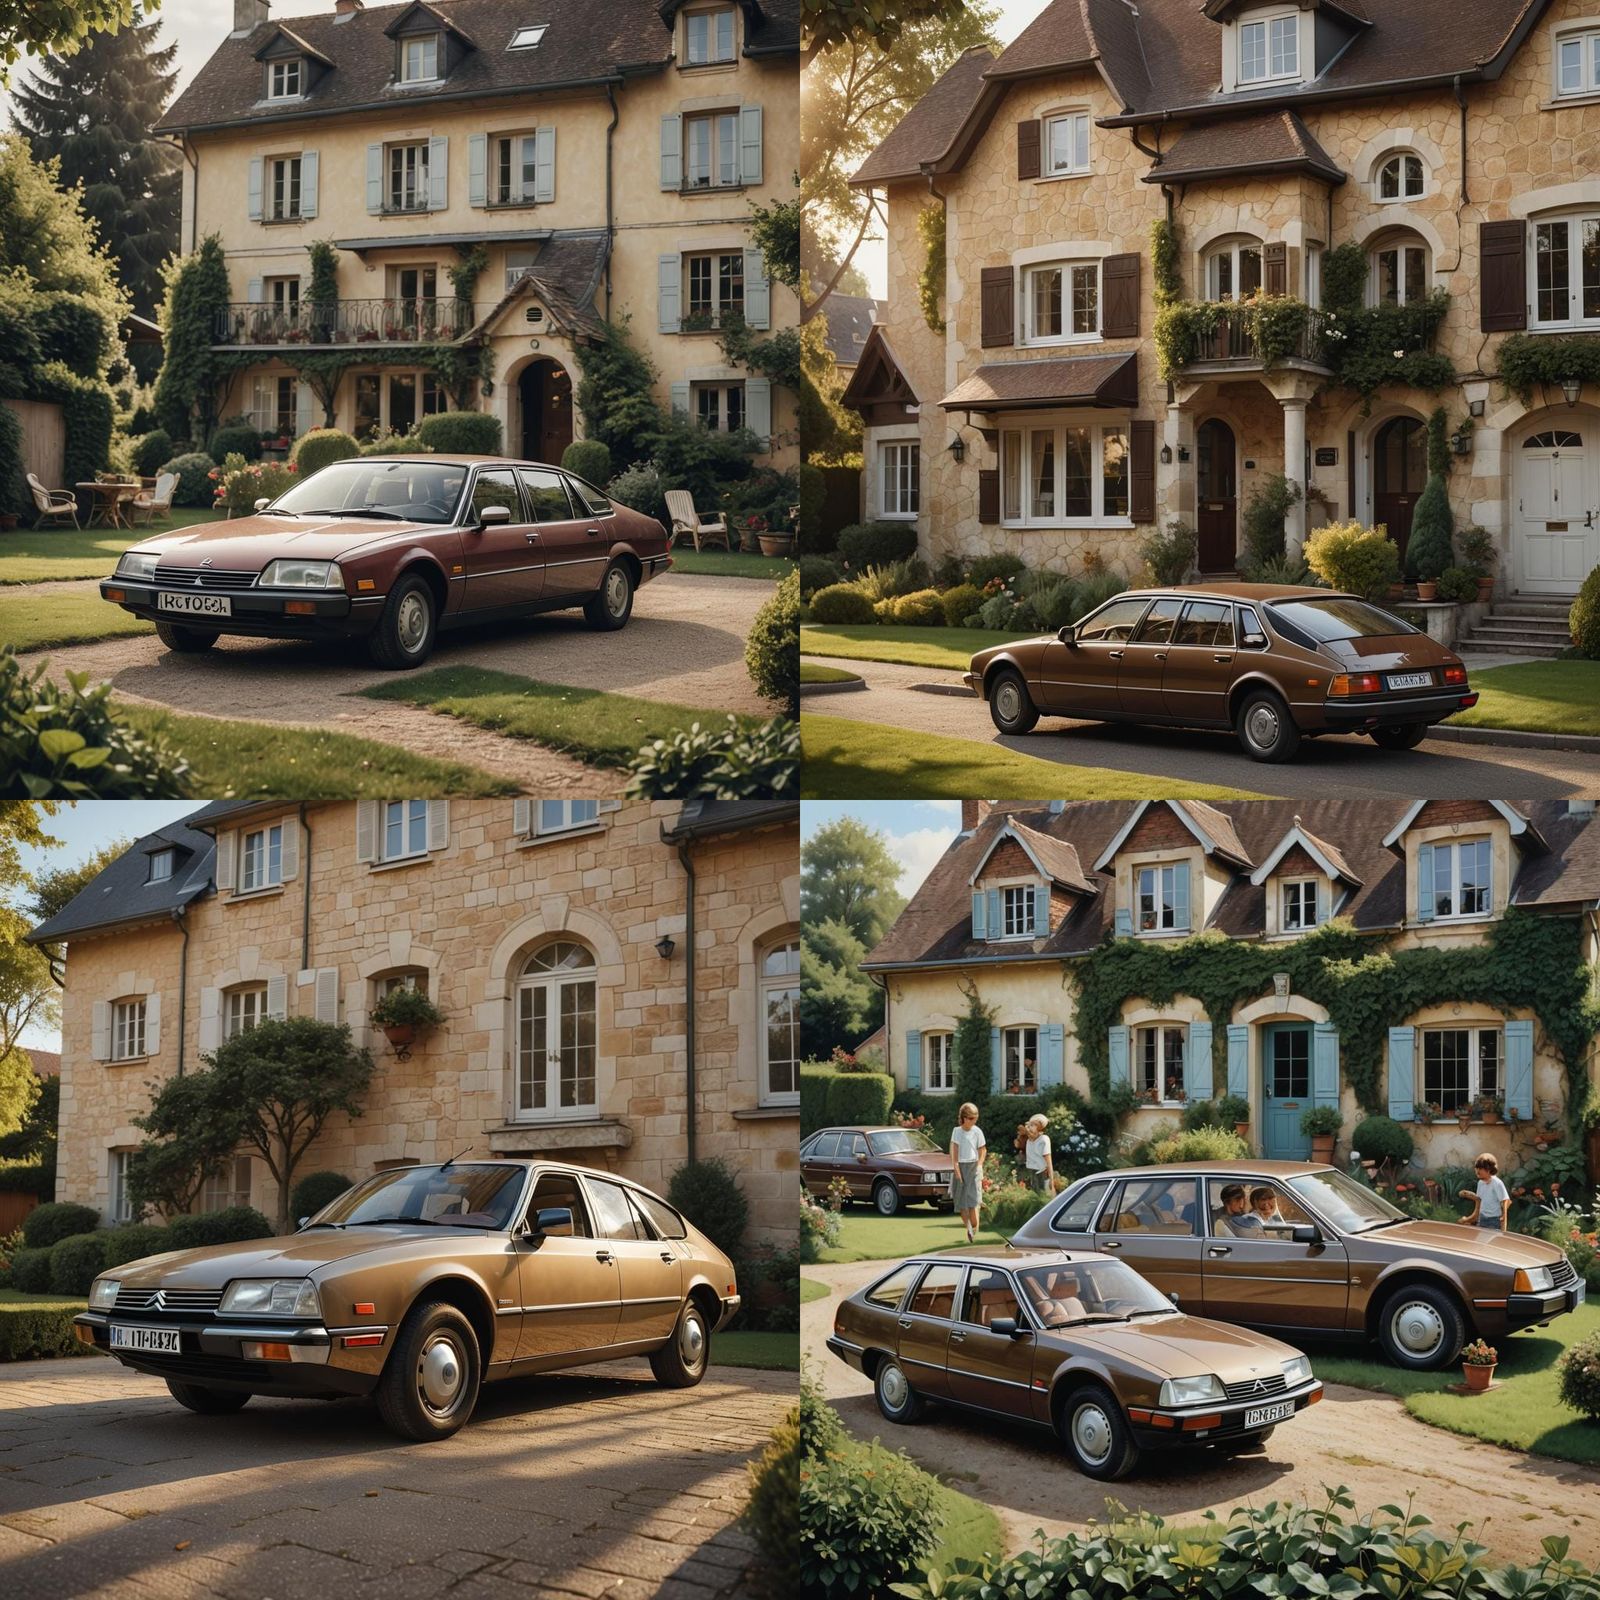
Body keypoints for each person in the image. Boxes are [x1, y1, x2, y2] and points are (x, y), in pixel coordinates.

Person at [949, 1103, 987, 1243]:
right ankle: (969, 1228)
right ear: (964, 1118)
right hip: (961, 1166)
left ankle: (974, 1226)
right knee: (961, 1202)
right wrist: (956, 1170)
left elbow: (983, 1150)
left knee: (974, 1200)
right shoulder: (957, 1131)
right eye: (971, 1118)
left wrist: (979, 1165)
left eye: (975, 1118)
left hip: (974, 1166)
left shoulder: (977, 1131)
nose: (974, 1121)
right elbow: (954, 1152)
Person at [1460, 1152, 1509, 1231]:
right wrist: (1471, 1219)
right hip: (1482, 1219)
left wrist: (1504, 1227)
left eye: (1480, 1168)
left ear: (1488, 1169)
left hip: (1494, 1220)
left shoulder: (1497, 1183)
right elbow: (1479, 1201)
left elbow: (1505, 1202)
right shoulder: (1480, 1183)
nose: (1477, 1171)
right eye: (1476, 1168)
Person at [1022, 1114, 1054, 1194]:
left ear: (1039, 1127)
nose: (1029, 1127)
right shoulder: (1029, 1141)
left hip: (1042, 1173)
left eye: (1033, 1125)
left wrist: (1051, 1180)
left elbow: (1048, 1160)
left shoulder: (1044, 1139)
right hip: (1031, 1172)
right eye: (1030, 1125)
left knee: (1043, 1196)